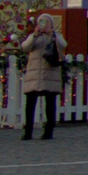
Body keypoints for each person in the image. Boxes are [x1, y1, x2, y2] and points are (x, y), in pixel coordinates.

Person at [19, 12, 65, 141]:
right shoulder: (34, 36)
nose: (43, 25)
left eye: (46, 22)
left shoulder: (56, 36)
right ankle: (28, 131)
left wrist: (52, 34)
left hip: (50, 74)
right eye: (41, 22)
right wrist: (34, 35)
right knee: (30, 104)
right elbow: (25, 47)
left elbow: (63, 45)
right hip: (34, 74)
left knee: (50, 104)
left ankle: (48, 131)